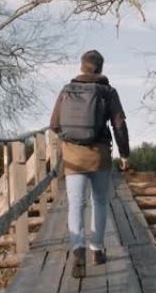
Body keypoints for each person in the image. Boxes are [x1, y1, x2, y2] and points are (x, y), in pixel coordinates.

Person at [49, 49, 130, 278]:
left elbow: (54, 125)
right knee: (100, 202)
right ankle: (96, 249)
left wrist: (70, 138)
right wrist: (124, 153)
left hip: (73, 158)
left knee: (76, 204)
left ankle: (77, 249)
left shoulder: (67, 90)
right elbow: (119, 125)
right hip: (99, 156)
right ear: (101, 68)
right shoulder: (108, 91)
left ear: (81, 66)